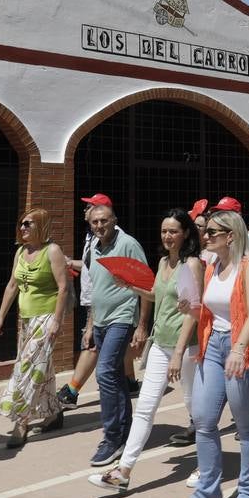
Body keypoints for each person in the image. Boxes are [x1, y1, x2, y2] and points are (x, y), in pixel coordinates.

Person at [91, 209, 202, 493]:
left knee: (194, 406)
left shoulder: (191, 265)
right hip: (160, 343)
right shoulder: (164, 261)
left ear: (186, 233)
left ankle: (206, 464)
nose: (168, 236)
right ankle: (123, 471)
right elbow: (158, 295)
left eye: (174, 231)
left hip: (186, 347)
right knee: (145, 408)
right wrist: (132, 287)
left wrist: (178, 353)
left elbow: (193, 311)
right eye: (164, 230)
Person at [176, 209, 249, 498]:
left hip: (239, 348)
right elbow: (207, 308)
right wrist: (189, 307)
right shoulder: (210, 267)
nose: (206, 236)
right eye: (207, 232)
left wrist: (239, 348)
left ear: (231, 236)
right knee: (203, 419)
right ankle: (207, 496)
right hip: (212, 348)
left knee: (246, 426)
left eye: (213, 232)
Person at [0, 208, 70, 448]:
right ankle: (53, 413)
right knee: (41, 368)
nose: (23, 228)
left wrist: (57, 320)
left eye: (29, 224)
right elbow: (12, 285)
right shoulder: (20, 252)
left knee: (26, 368)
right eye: (22, 223)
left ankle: (21, 421)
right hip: (26, 319)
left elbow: (63, 288)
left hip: (46, 318)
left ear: (41, 226)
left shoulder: (52, 251)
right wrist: (0, 317)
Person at [59, 194, 141, 410]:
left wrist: (140, 323)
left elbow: (143, 284)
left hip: (117, 311)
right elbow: (90, 267)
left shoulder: (122, 241)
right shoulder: (94, 239)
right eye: (91, 214)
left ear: (109, 216)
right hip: (96, 303)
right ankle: (130, 383)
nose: (86, 211)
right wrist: (70, 263)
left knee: (99, 358)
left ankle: (72, 390)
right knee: (111, 356)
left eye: (91, 207)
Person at [83, 200, 149, 468]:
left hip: (122, 317)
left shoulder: (128, 244)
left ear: (114, 220)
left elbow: (146, 283)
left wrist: (142, 325)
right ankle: (124, 432)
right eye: (95, 222)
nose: (99, 226)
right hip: (100, 320)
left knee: (105, 372)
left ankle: (112, 438)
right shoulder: (94, 248)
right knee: (116, 376)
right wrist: (89, 325)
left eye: (104, 221)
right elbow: (95, 290)